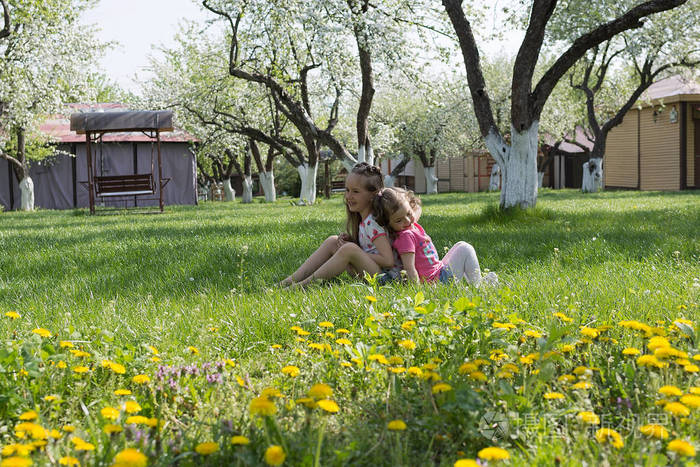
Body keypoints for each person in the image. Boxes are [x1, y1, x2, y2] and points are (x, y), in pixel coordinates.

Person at [277, 163, 402, 288]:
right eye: (347, 190)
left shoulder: (373, 222)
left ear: (373, 195)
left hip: (387, 279)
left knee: (349, 249)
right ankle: (289, 281)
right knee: (333, 241)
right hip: (373, 272)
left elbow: (388, 261)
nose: (348, 196)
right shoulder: (364, 220)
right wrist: (351, 243)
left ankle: (301, 286)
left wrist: (357, 252)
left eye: (355, 191)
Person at [372, 187, 497, 286]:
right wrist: (418, 293)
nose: (407, 221)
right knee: (465, 248)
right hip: (436, 281)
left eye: (408, 214)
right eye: (398, 220)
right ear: (388, 224)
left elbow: (416, 210)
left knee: (459, 246)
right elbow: (409, 269)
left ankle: (474, 282)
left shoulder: (411, 227)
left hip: (438, 272)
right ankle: (478, 286)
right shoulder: (406, 236)